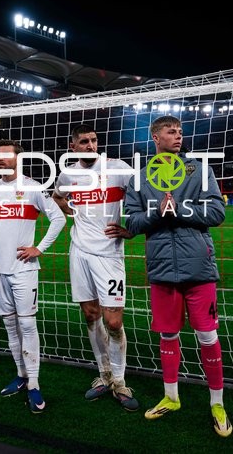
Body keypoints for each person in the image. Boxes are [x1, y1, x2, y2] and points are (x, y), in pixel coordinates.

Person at [124, 115, 232, 437]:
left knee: (207, 336)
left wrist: (181, 210)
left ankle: (217, 403)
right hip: (161, 269)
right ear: (155, 137)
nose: (178, 136)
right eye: (171, 132)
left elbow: (217, 212)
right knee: (168, 335)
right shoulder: (141, 178)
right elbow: (131, 222)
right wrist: (157, 213)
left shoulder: (199, 170)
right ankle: (171, 397)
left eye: (181, 131)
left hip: (199, 268)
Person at [51, 124, 139, 411]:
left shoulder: (117, 168)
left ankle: (120, 380)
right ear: (73, 146)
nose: (91, 145)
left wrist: (132, 228)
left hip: (110, 254)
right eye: (85, 142)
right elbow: (58, 197)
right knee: (91, 314)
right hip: (79, 253)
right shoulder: (68, 173)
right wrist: (74, 213)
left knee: (114, 322)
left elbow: (142, 195)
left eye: (94, 141)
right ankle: (103, 375)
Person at [0, 139, 65, 413]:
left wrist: (38, 248)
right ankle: (21, 374)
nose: (0, 160)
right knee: (10, 326)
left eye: (5, 156)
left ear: (19, 159)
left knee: (27, 326)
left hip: (24, 271)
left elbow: (59, 219)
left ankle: (34, 384)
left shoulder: (32, 188)